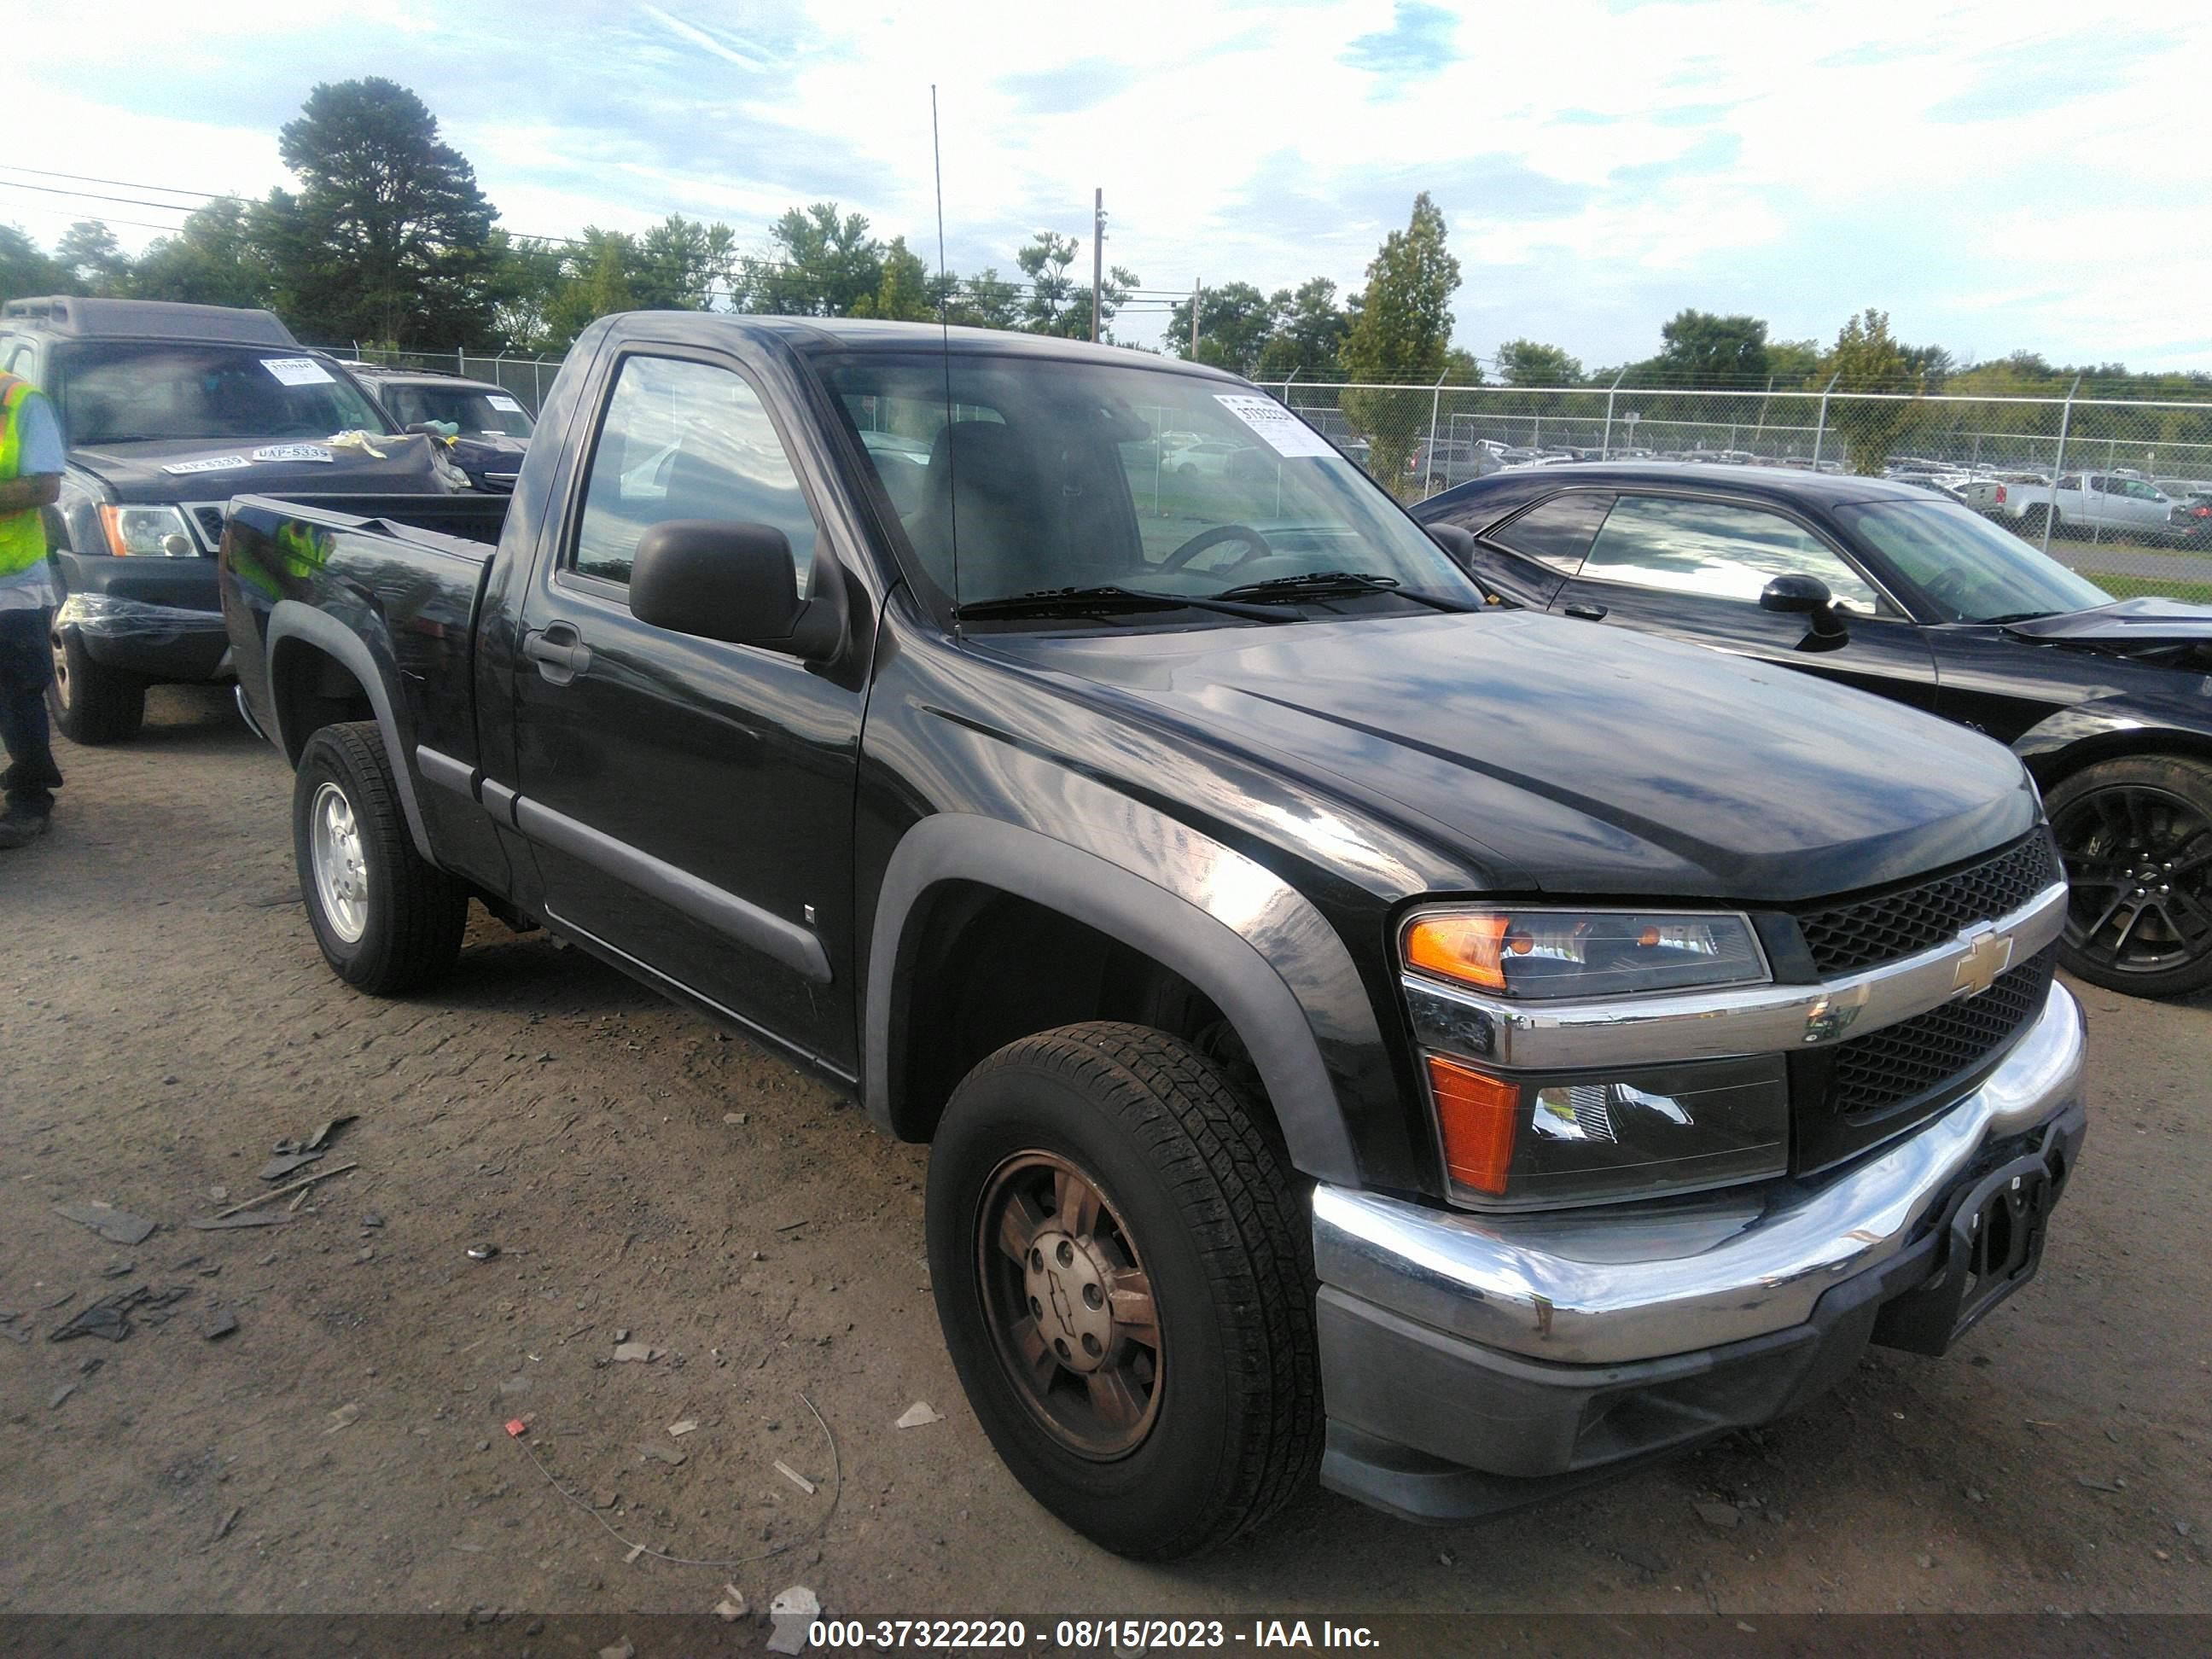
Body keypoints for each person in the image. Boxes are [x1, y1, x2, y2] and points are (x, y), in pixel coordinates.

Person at [0, 364, 67, 850]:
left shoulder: (22, 401)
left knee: (18, 693)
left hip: (11, 582)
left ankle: (29, 799)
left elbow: (45, 486)